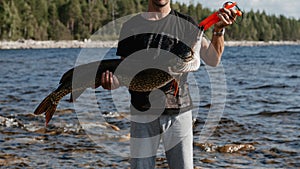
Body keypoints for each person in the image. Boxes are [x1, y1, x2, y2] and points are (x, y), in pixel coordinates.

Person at [101, 0, 237, 168]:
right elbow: (124, 73)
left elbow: (212, 59)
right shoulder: (131, 26)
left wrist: (218, 30)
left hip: (179, 112)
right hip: (142, 112)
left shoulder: (186, 24)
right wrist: (111, 83)